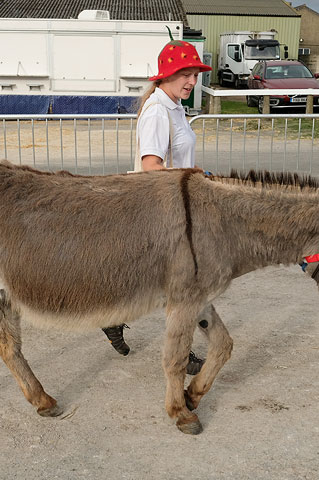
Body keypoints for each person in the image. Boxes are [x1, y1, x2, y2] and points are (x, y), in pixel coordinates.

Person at [102, 38, 212, 375]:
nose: (192, 81)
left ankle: (113, 317)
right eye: (185, 74)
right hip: (158, 206)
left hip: (177, 203)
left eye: (195, 74)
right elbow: (152, 166)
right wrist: (193, 177)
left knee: (165, 280)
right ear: (165, 76)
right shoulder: (156, 110)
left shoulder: (175, 106)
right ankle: (181, 350)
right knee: (184, 282)